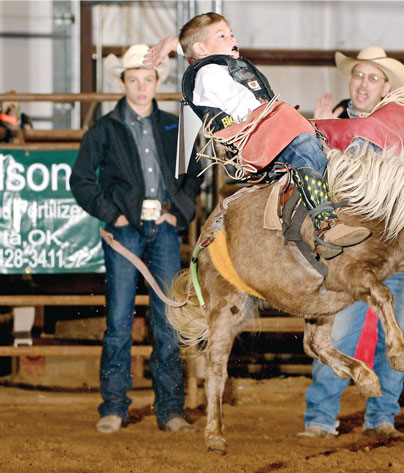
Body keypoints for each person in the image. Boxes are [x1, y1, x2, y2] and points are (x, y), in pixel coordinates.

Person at [145, 13, 370, 259]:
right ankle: (326, 223)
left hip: (264, 133)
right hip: (251, 141)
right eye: (223, 36)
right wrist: (276, 116)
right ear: (201, 49)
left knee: (322, 139)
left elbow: (200, 48)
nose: (232, 38)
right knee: (306, 143)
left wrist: (174, 44)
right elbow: (241, 107)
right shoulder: (209, 74)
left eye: (231, 34)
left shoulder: (217, 67)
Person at [70, 44, 202, 434]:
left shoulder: (175, 127)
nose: (142, 87)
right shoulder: (105, 129)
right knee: (118, 319)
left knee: (166, 319)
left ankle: (170, 409)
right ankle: (113, 406)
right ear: (123, 83)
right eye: (134, 80)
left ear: (157, 82)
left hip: (163, 228)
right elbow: (81, 179)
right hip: (125, 230)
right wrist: (113, 214)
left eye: (148, 79)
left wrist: (177, 212)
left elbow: (194, 175)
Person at [299, 47, 404, 440]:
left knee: (398, 336)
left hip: (397, 250)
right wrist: (317, 133)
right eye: (359, 75)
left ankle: (381, 416)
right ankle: (321, 419)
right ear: (350, 80)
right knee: (338, 335)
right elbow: (309, 183)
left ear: (385, 87)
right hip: (348, 253)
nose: (363, 84)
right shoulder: (329, 124)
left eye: (373, 77)